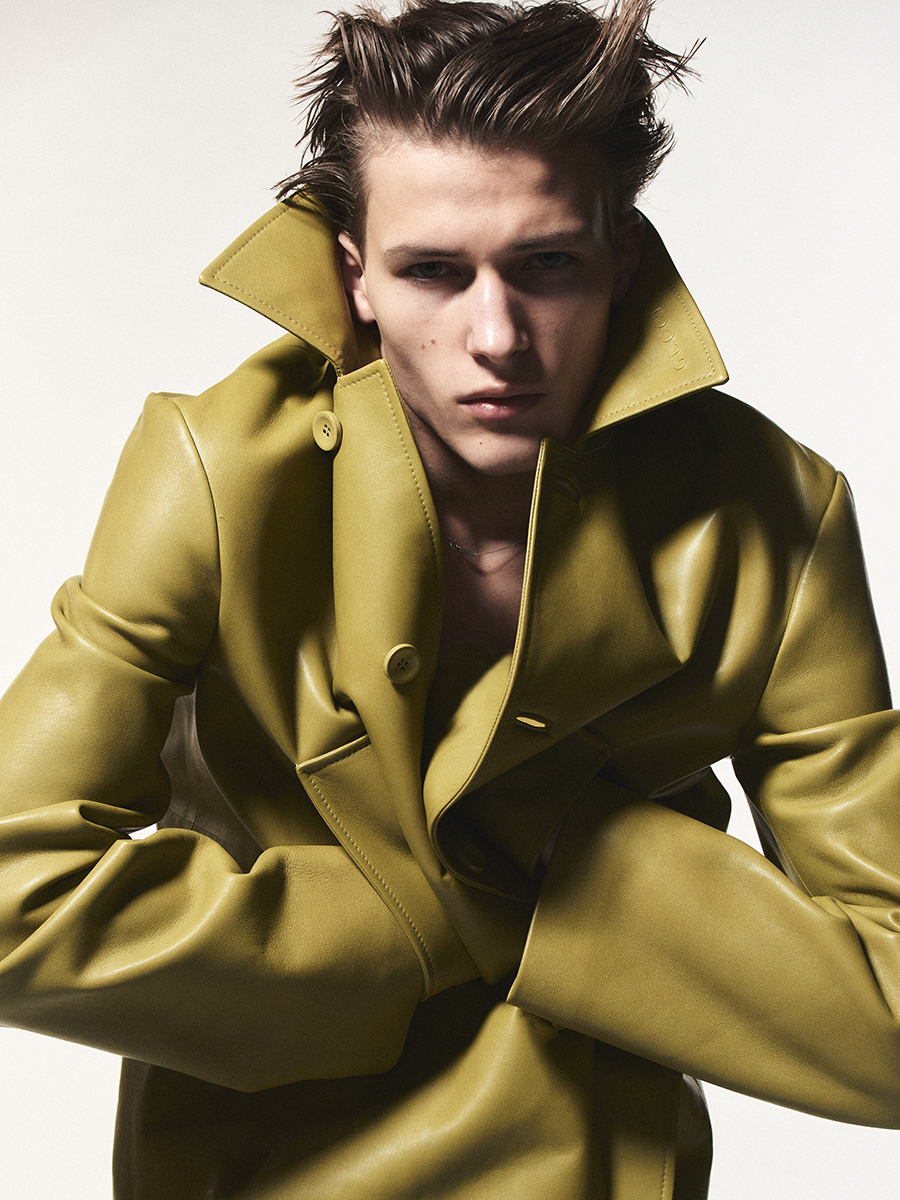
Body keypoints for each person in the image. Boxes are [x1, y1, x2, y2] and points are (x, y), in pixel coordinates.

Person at [1, 0, 899, 1196]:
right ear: (356, 275)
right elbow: (12, 896)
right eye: (433, 271)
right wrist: (449, 917)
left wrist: (563, 883)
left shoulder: (770, 511)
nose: (498, 337)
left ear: (622, 260)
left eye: (547, 266)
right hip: (261, 1166)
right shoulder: (220, 471)